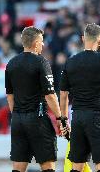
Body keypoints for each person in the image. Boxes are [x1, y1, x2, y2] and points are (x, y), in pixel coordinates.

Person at [60, 23, 100, 172]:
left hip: (77, 117)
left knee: (77, 165)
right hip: (97, 116)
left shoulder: (70, 62)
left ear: (83, 39)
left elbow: (63, 95)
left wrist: (63, 121)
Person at [5, 26, 62, 172]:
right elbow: (50, 95)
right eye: (41, 41)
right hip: (38, 119)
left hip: (17, 120)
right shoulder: (41, 62)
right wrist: (60, 118)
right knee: (48, 165)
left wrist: (17, 114)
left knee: (18, 167)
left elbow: (10, 95)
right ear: (36, 43)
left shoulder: (11, 64)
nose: (43, 45)